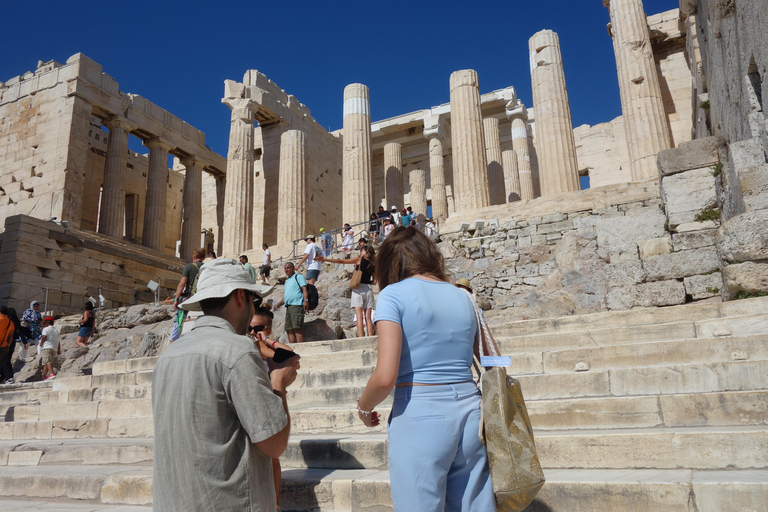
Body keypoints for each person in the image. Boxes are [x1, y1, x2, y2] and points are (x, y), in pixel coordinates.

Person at [356, 226, 495, 511]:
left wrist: (363, 407)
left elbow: (385, 378)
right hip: (472, 413)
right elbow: (492, 360)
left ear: (389, 262)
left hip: (419, 413)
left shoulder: (393, 296)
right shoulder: (464, 296)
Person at [153, 258, 298, 512]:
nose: (252, 310)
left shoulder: (167, 357)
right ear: (241, 296)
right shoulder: (237, 351)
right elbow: (274, 443)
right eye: (253, 300)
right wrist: (279, 382)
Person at [249, 306, 298, 512]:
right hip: (252, 403)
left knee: (272, 457)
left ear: (267, 329)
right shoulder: (247, 346)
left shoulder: (263, 348)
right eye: (249, 328)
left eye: (257, 328)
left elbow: (290, 355)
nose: (252, 332)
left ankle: (275, 502)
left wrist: (267, 341)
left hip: (268, 403)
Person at [317, 245, 377, 337]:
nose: (360, 252)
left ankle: (361, 338)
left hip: (358, 288)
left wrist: (325, 259)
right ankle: (370, 336)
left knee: (359, 316)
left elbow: (341, 261)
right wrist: (366, 280)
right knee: (368, 317)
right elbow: (374, 282)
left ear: (366, 252)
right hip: (368, 289)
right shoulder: (374, 264)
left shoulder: (359, 260)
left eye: (362, 251)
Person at [170, 248, 205, 342]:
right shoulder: (206, 268)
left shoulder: (189, 267)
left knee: (180, 319)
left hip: (190, 298)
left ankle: (174, 340)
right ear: (203, 258)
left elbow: (182, 284)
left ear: (194, 257)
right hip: (204, 299)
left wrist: (176, 299)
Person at [272, 262, 309, 344]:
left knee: (297, 328)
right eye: (285, 268)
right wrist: (277, 305)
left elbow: (304, 289)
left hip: (297, 305)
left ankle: (300, 347)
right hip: (289, 307)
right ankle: (292, 347)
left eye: (288, 268)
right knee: (288, 329)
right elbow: (286, 297)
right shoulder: (287, 281)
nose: (286, 270)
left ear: (293, 268)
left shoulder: (298, 277)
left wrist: (306, 300)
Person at [40, 316, 60, 381]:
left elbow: (44, 337)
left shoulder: (45, 329)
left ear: (46, 324)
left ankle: (51, 374)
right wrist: (58, 350)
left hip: (47, 347)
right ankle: (44, 376)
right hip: (54, 348)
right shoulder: (56, 331)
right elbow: (58, 341)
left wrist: (41, 343)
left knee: (47, 361)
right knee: (47, 362)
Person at [0, 306, 15, 384]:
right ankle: (9, 378)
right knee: (4, 362)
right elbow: (11, 336)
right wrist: (8, 345)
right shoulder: (10, 322)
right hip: (4, 345)